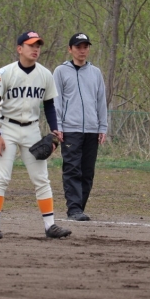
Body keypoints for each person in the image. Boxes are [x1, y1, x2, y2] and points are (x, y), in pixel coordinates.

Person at [0, 31, 72, 239]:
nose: (35, 49)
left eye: (38, 45)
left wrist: (55, 129)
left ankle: (50, 226)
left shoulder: (45, 74)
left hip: (32, 130)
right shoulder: (5, 72)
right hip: (7, 129)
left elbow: (49, 105)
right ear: (19, 49)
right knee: (2, 177)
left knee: (41, 179)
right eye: (31, 45)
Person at [53, 33, 108, 221]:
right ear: (70, 49)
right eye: (78, 47)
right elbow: (56, 101)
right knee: (72, 169)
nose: (82, 50)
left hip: (92, 129)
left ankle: (79, 209)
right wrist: (58, 126)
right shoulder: (60, 71)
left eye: (85, 47)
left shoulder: (96, 73)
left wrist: (102, 127)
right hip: (70, 129)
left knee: (87, 172)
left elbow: (101, 101)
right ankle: (74, 209)